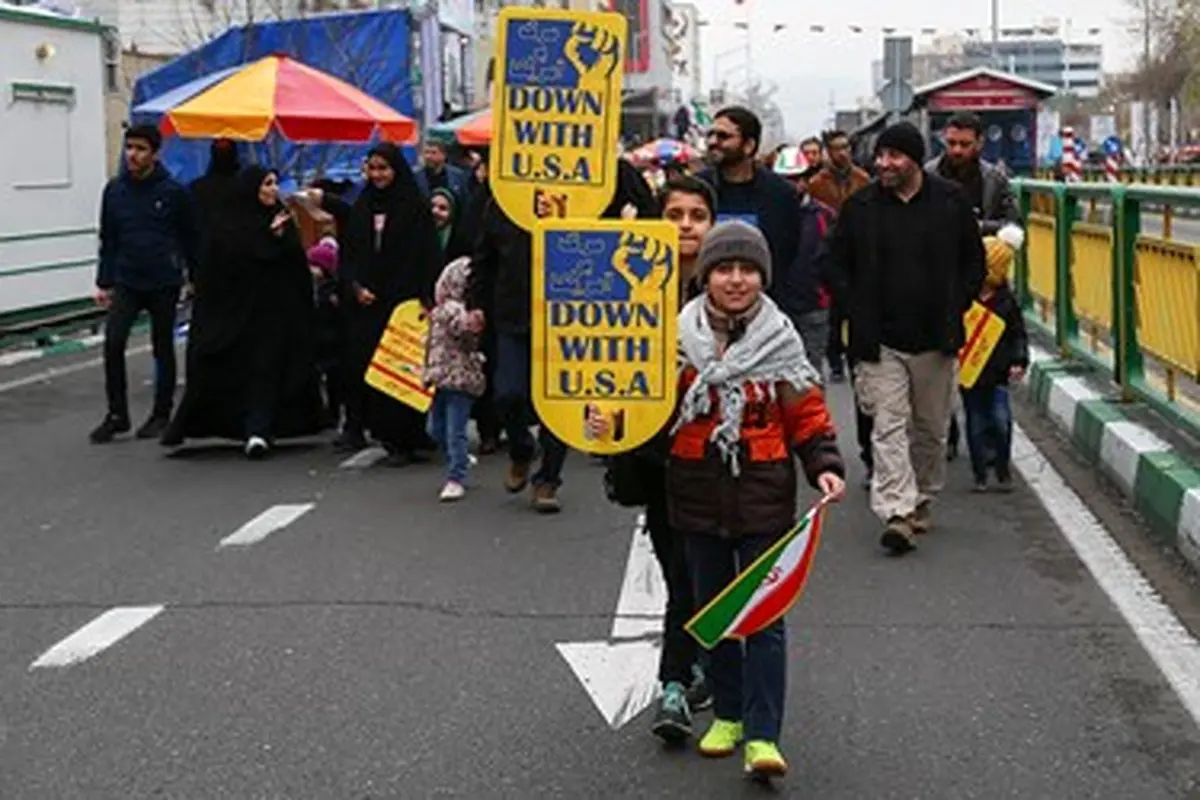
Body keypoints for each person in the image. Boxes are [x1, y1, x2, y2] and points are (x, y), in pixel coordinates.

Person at [667, 220, 845, 778]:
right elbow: (648, 411)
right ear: (705, 276)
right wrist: (608, 423)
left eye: (747, 270)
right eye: (724, 269)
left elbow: (807, 413)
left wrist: (825, 465)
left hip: (764, 492)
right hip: (695, 490)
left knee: (764, 618)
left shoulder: (782, 339)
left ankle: (764, 734)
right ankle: (728, 714)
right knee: (713, 613)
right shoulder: (674, 339)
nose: (736, 280)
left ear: (763, 278)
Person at [592, 175, 717, 743]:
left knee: (705, 575)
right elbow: (601, 367)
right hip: (654, 455)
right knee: (680, 572)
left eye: (697, 214)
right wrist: (600, 422)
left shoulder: (733, 291)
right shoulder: (632, 291)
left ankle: (688, 676)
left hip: (719, 460)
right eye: (674, 213)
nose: (686, 225)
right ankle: (682, 675)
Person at [826, 121, 985, 555]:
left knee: (931, 430)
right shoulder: (860, 208)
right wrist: (854, 303)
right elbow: (834, 263)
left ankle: (921, 497)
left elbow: (975, 263)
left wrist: (957, 303)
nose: (884, 164)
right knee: (888, 425)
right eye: (880, 156)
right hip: (879, 342)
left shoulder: (950, 203)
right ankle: (897, 510)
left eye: (894, 156)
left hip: (935, 339)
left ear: (913, 159)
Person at [467, 157, 657, 512]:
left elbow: (647, 221)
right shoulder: (507, 193)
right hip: (514, 311)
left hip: (573, 315)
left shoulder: (604, 180)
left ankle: (548, 480)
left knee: (560, 402)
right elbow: (484, 255)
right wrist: (476, 302)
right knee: (508, 392)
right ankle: (522, 449)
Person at [160, 167, 325, 457]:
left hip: (272, 315)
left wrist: (279, 239)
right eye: (267, 184)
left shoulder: (282, 221)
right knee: (235, 370)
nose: (273, 190)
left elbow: (293, 267)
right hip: (233, 317)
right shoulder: (227, 224)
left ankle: (259, 430)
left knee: (267, 369)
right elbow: (221, 269)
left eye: (275, 184)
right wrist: (265, 238)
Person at [91, 124, 199, 444]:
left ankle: (161, 413)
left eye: (140, 149)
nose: (132, 155)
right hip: (127, 278)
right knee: (113, 342)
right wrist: (104, 282)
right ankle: (117, 414)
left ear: (155, 153)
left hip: (162, 279)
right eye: (129, 148)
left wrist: (195, 276)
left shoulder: (173, 193)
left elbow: (189, 238)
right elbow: (108, 238)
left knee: (162, 346)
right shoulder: (114, 192)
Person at [697, 108, 823, 378]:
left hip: (765, 317)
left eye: (723, 136)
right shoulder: (699, 189)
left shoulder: (781, 195)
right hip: (705, 321)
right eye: (711, 135)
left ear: (749, 145)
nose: (712, 142)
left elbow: (785, 253)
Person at [340, 143, 442, 464]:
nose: (378, 175)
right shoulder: (362, 206)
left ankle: (408, 437)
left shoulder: (414, 208)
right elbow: (350, 254)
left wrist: (427, 297)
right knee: (371, 366)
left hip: (406, 304)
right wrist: (355, 286)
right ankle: (386, 434)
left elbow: (428, 256)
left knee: (405, 368)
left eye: (384, 168)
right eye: (372, 168)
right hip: (368, 304)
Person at [964, 226, 1028, 493]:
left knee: (1001, 422)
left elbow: (1018, 334)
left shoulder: (1006, 302)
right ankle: (980, 472)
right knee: (975, 423)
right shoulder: (962, 298)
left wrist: (1019, 360)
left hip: (998, 372)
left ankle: (1002, 466)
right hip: (969, 374)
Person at [808, 129, 872, 384]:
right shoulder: (817, 184)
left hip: (858, 252)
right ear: (828, 152)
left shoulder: (862, 179)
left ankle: (856, 355)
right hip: (829, 251)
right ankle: (835, 359)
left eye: (846, 147)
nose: (842, 153)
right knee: (833, 312)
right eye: (836, 148)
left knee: (856, 308)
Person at [424, 255, 487, 501]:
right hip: (444, 378)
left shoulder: (452, 310)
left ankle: (455, 475)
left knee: (451, 430)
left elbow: (463, 330)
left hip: (459, 379)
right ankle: (458, 458)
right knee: (440, 428)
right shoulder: (442, 312)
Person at [771, 145, 833, 378]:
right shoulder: (769, 213)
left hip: (813, 308)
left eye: (797, 179)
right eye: (786, 179)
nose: (792, 185)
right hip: (775, 309)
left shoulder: (824, 216)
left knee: (810, 376)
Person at [926, 112, 1021, 236]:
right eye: (951, 143)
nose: (957, 150)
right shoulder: (928, 174)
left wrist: (980, 226)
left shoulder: (995, 179)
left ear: (979, 143)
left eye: (965, 144)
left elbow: (1014, 225)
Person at [308, 236, 344, 429]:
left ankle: (333, 411)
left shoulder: (331, 292)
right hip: (317, 339)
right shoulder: (310, 290)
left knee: (333, 379)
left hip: (331, 339)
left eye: (315, 265)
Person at [430, 187, 472, 265]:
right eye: (431, 206)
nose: (435, 211)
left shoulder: (461, 243)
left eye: (442, 208)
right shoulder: (417, 237)